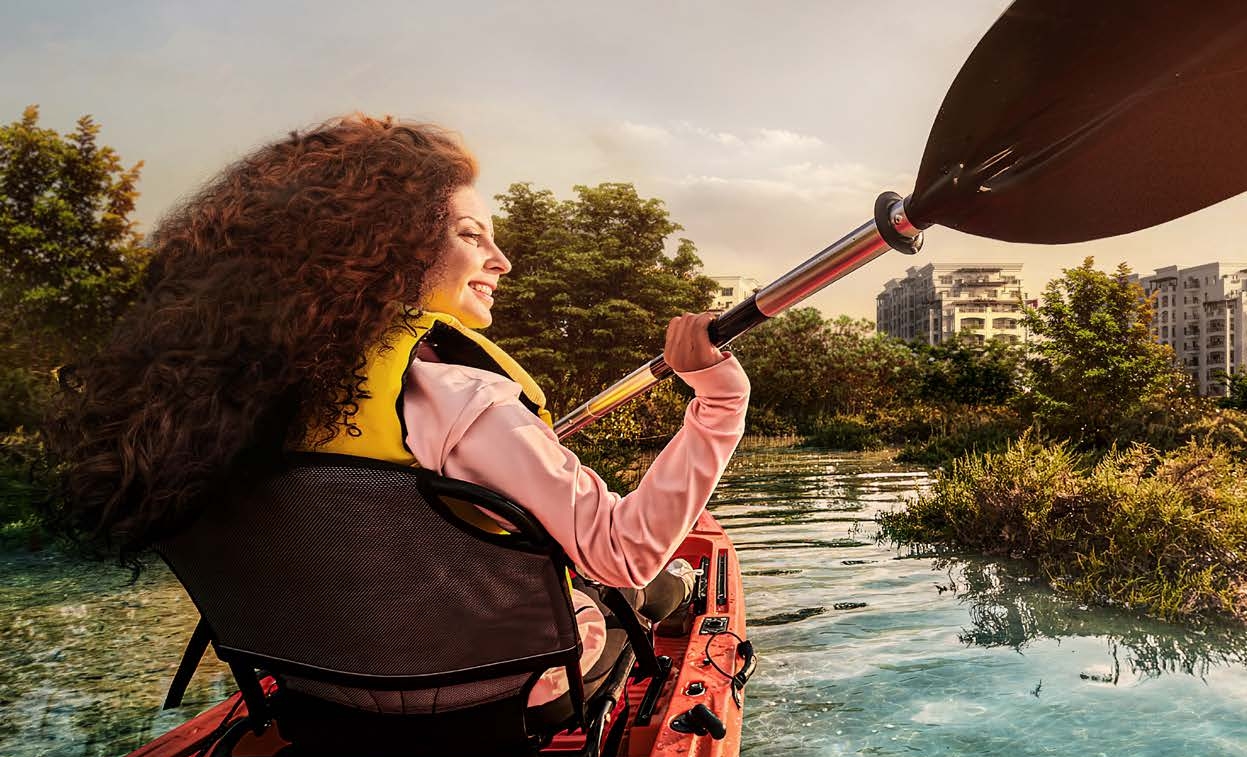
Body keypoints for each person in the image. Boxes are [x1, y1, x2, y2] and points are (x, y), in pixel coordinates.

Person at [50, 114, 748, 707]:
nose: (501, 259)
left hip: (317, 687)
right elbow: (619, 550)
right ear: (386, 244)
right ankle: (675, 591)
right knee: (634, 581)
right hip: (499, 690)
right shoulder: (462, 400)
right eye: (472, 234)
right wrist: (720, 401)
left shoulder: (218, 409)